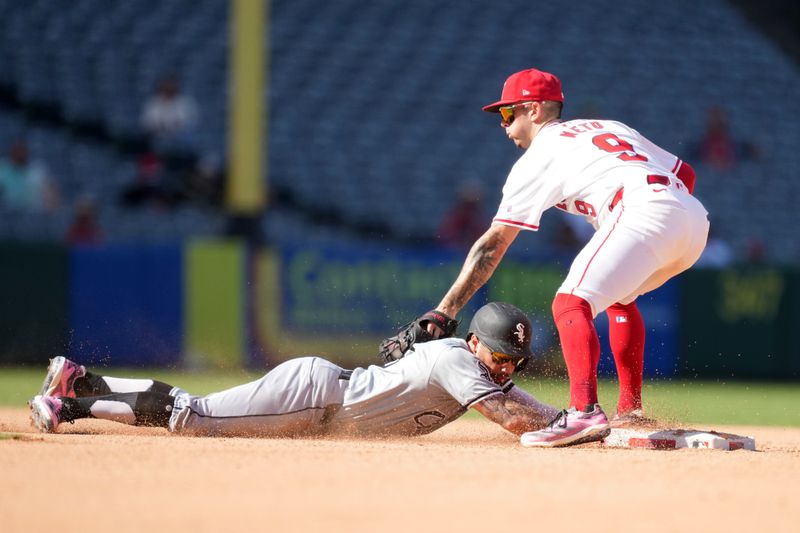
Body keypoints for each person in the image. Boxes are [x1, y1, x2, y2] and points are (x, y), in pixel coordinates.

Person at [414, 68, 709, 447]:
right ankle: (630, 409)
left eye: (509, 115)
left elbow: (493, 245)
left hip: (642, 209)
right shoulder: (608, 126)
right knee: (621, 297)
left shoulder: (540, 155)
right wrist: (669, 215)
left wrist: (445, 310)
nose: (504, 127)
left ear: (534, 110)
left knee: (571, 302)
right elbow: (686, 172)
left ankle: (584, 412)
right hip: (692, 219)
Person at [29, 302, 561, 441]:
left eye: (512, 361)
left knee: (199, 411)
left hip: (322, 400)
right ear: (475, 343)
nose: (504, 366)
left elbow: (521, 403)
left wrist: (566, 418)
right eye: (498, 356)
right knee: (193, 417)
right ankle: (69, 405)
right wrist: (569, 426)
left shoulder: (480, 367)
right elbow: (513, 418)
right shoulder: (459, 359)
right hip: (316, 396)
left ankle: (78, 379)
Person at [0, 139, 60, 212]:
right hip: (7, 212)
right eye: (17, 151)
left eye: (22, 150)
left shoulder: (37, 170)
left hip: (34, 212)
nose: (19, 154)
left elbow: (52, 197)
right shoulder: (3, 167)